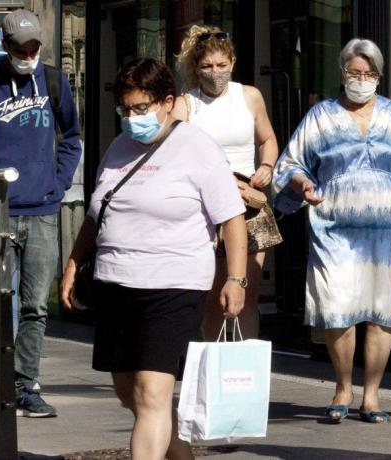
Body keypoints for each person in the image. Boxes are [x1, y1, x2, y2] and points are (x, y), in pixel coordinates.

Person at [60, 58, 247, 460]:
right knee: (129, 392)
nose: (132, 118)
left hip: (173, 285)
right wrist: (74, 264)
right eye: (125, 110)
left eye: (140, 109)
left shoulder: (198, 148)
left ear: (167, 102)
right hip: (115, 283)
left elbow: (232, 218)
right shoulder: (117, 147)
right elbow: (96, 215)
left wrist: (237, 278)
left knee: (150, 393)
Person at [272, 38, 391, 424]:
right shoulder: (321, 115)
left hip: (387, 231)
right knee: (337, 309)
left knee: (381, 312)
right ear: (342, 73)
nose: (361, 80)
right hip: (333, 228)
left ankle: (373, 394)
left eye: (369, 74)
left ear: (379, 77)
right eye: (354, 73)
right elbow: (290, 164)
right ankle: (343, 386)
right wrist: (302, 184)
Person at [0, 9, 82, 417]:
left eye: (34, 47)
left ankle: (26, 383)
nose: (27, 55)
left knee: (35, 306)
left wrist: (57, 186)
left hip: (42, 210)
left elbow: (71, 138)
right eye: (19, 48)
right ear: (4, 46)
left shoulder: (55, 82)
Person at [172, 25, 281, 341]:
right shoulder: (186, 104)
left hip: (249, 204)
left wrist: (267, 166)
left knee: (246, 295)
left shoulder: (249, 96)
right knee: (214, 296)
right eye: (207, 67)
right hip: (207, 209)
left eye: (221, 65)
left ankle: (243, 369)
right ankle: (213, 364)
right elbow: (176, 156)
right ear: (195, 68)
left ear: (232, 62)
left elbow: (268, 138)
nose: (215, 73)